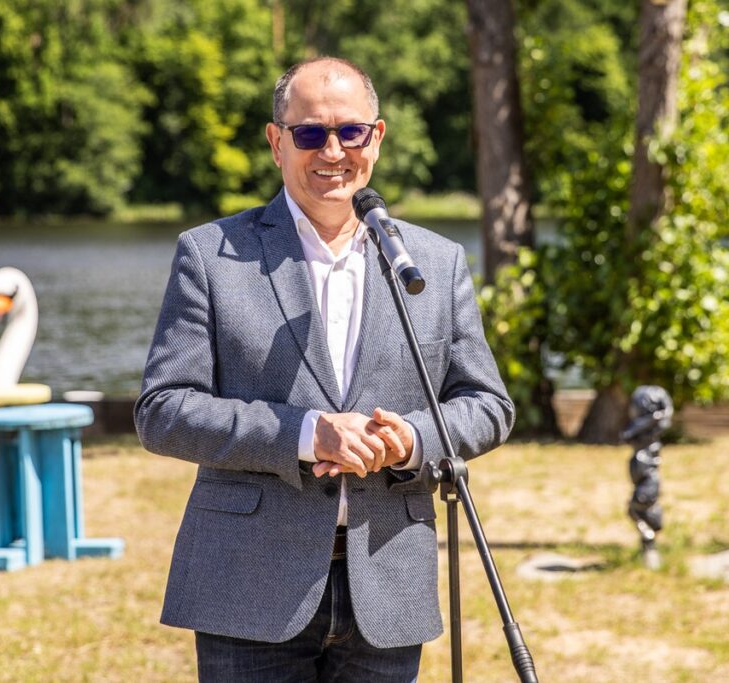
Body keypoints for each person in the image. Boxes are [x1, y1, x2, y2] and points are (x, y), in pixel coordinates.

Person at [134, 56, 513, 681]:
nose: (332, 150)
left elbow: (487, 404)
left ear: (378, 137)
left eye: (350, 132)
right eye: (310, 133)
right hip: (248, 585)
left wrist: (412, 438)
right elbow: (163, 411)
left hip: (388, 581)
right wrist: (309, 433)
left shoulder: (435, 262)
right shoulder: (209, 254)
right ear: (276, 141)